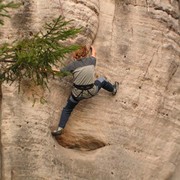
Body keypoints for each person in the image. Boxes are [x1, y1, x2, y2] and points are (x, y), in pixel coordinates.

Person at [51, 45, 119, 136]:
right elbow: (94, 53)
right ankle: (113, 89)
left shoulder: (73, 65)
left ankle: (60, 128)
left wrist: (45, 69)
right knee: (102, 80)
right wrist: (92, 47)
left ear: (74, 56)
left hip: (76, 95)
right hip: (91, 91)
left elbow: (59, 72)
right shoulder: (91, 61)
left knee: (67, 109)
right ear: (85, 53)